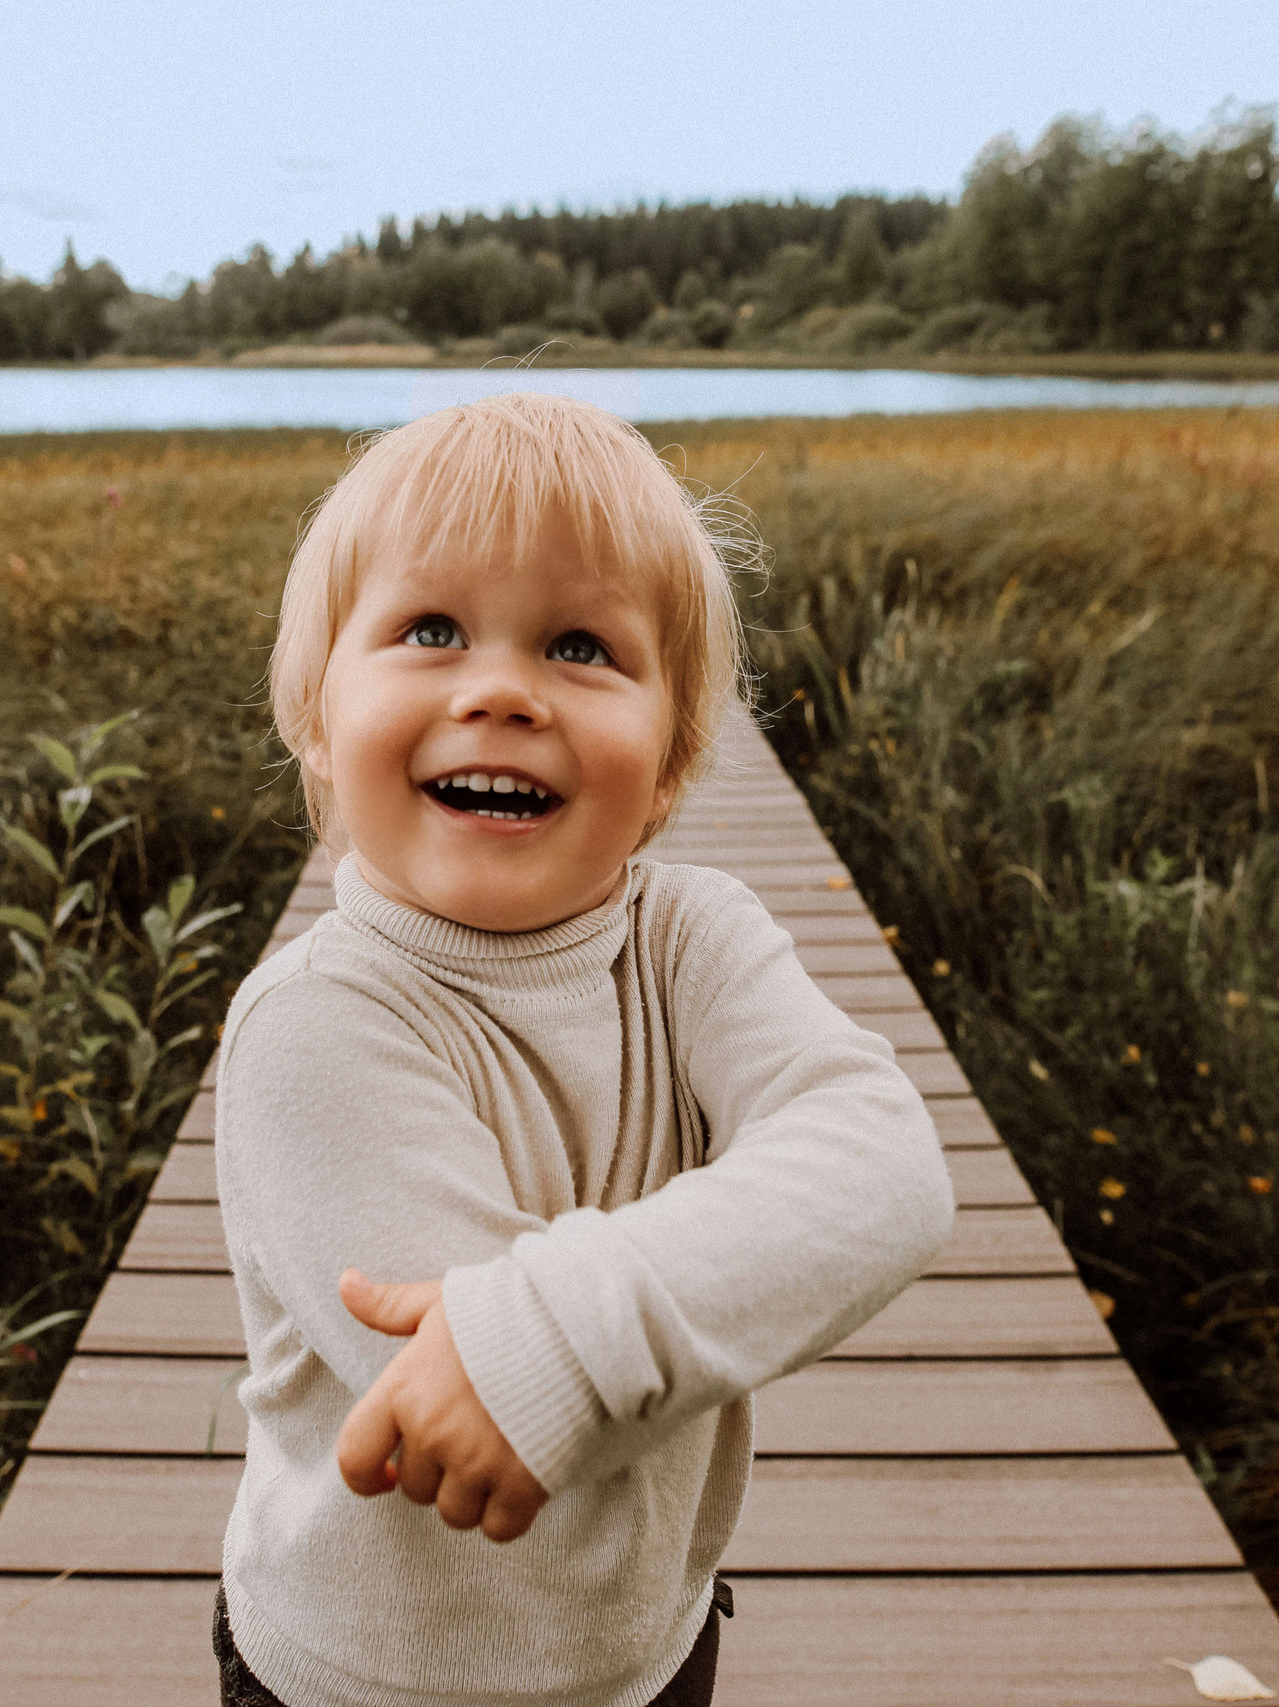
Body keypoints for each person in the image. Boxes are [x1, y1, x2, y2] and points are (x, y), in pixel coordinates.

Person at [211, 390, 957, 1707]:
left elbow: (884, 1160)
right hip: (364, 1686)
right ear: (319, 715)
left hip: (651, 1649)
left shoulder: (696, 940)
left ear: (669, 764)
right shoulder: (312, 1029)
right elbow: (453, 1405)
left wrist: (555, 1335)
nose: (501, 690)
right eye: (429, 630)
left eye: (579, 646)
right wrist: (572, 1345)